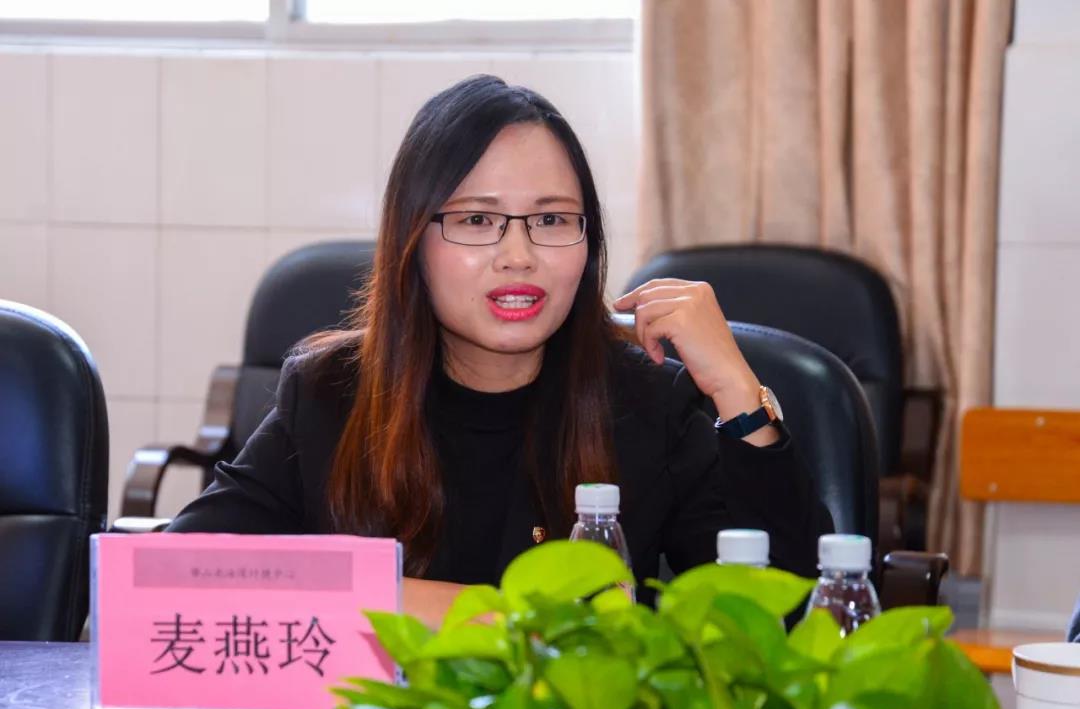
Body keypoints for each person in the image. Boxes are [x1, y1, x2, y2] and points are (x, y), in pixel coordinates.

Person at [168, 74, 833, 626]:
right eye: (477, 220)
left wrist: (738, 392)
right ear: (412, 242)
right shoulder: (330, 393)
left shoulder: (647, 400)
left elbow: (786, 623)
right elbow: (177, 578)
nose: (519, 255)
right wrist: (494, 615)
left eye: (551, 219)